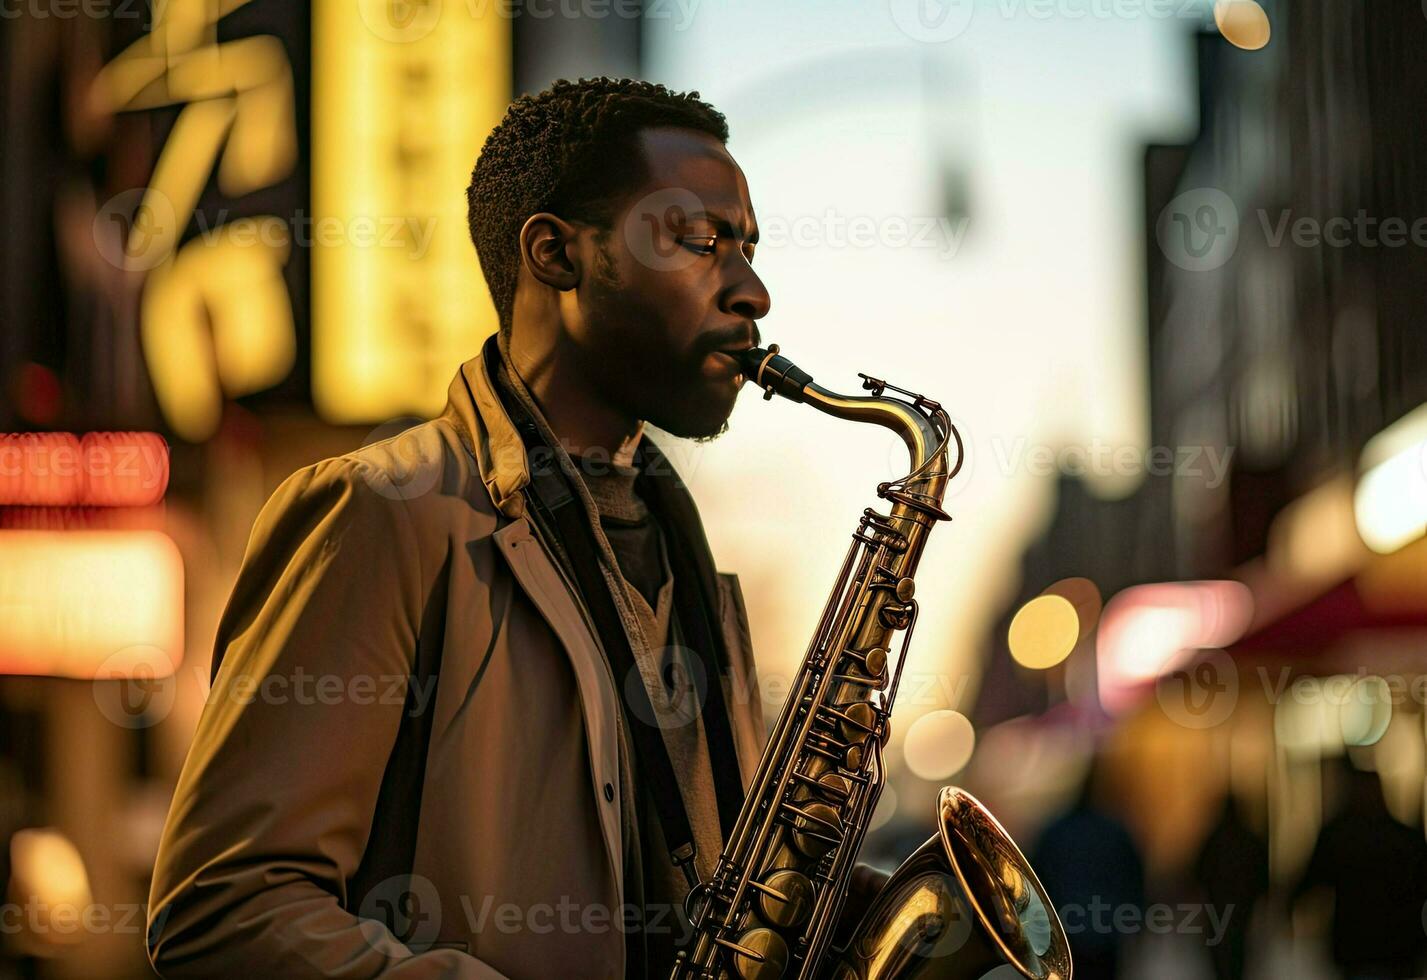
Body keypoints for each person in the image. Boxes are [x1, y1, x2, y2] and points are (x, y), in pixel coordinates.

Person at [146, 78, 780, 978]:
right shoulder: (379, 511)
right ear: (556, 255)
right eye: (700, 243)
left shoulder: (687, 560)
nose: (751, 290)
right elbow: (223, 908)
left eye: (747, 248)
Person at [1292, 759, 1427, 980]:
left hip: (1361, 947)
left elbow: (1311, 881)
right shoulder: (1403, 839)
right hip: (1392, 949)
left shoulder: (1341, 837)